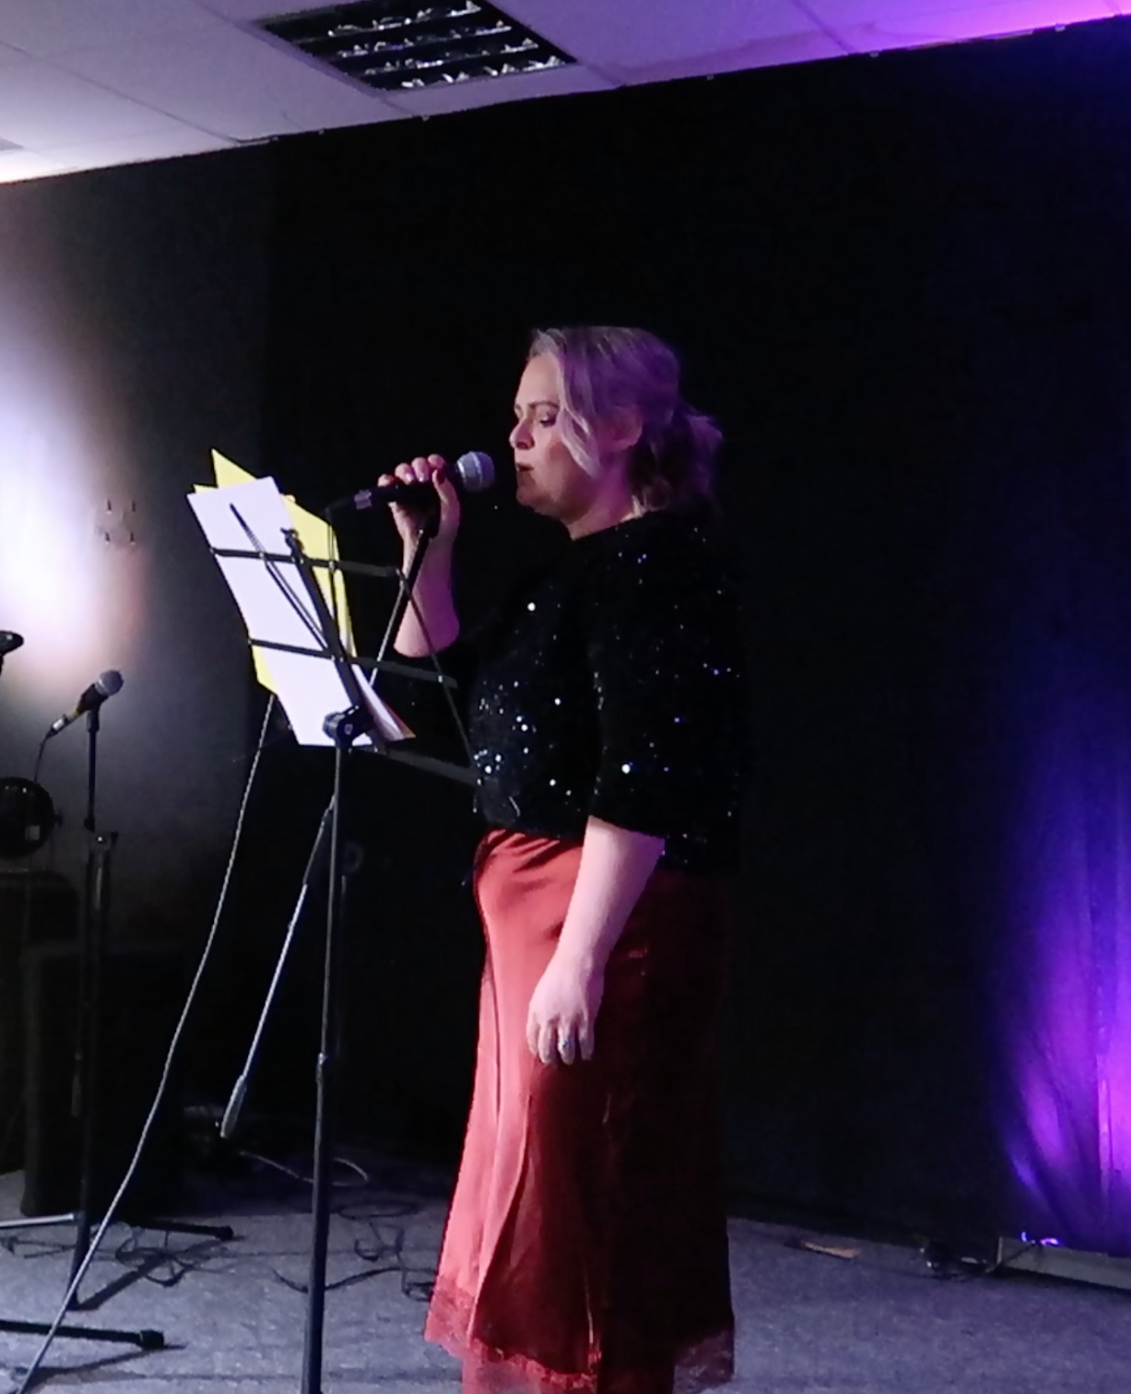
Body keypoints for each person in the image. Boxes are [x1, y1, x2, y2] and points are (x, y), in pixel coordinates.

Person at [385, 326, 745, 1394]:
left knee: (589, 1196)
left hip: (606, 914)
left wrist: (581, 957)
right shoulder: (571, 575)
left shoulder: (660, 566)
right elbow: (432, 704)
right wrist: (428, 550)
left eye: (544, 415)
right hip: (535, 915)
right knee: (536, 1184)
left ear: (622, 428)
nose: (515, 437)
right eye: (518, 414)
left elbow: (648, 772)